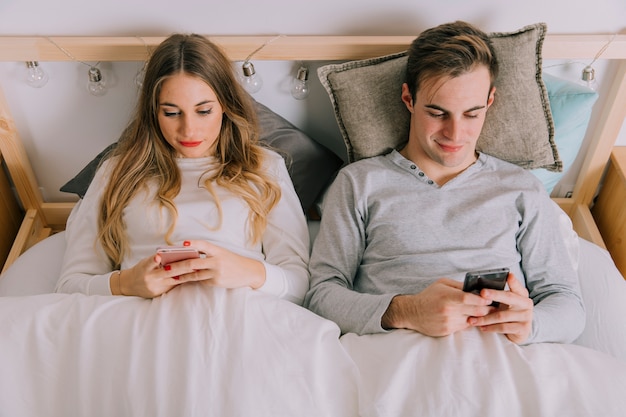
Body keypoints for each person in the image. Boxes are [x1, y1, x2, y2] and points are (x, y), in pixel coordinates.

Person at [304, 21, 585, 345]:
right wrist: (406, 311)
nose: (455, 134)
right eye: (437, 113)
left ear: (489, 102)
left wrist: (530, 324)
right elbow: (320, 297)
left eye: (471, 114)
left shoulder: (521, 188)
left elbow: (568, 305)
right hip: (396, 354)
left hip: (503, 356)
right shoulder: (359, 183)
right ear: (409, 99)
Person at [55, 33, 310, 304]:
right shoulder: (116, 172)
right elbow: (70, 286)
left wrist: (247, 271)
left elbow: (299, 285)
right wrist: (126, 282)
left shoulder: (265, 167)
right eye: (172, 113)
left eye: (203, 111)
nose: (189, 130)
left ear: (224, 106)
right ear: (153, 112)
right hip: (142, 320)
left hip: (239, 317)